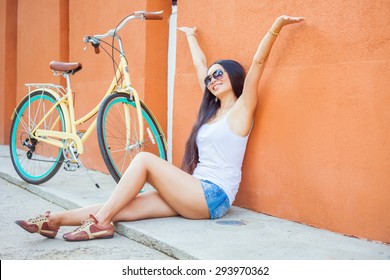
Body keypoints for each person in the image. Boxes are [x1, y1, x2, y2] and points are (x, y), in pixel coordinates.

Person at [16, 15, 304, 241]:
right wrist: (191, 36)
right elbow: (199, 64)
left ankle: (100, 224)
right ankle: (53, 220)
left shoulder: (242, 109)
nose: (212, 79)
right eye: (209, 79)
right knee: (122, 207)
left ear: (233, 75)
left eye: (219, 74)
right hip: (193, 191)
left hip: (213, 196)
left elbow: (258, 62)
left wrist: (276, 26)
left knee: (143, 159)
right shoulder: (212, 112)